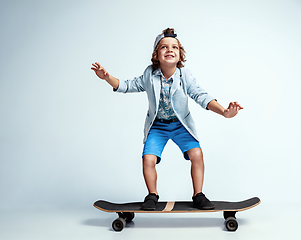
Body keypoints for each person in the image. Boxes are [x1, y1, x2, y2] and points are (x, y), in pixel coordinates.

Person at [91, 28, 243, 210]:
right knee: (148, 158)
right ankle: (152, 195)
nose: (169, 50)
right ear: (156, 55)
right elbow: (127, 85)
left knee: (197, 154)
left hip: (180, 126)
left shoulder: (184, 75)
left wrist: (225, 112)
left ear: (180, 55)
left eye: (174, 48)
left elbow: (201, 96)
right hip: (157, 127)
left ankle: (198, 195)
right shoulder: (149, 74)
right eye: (164, 47)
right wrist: (107, 78)